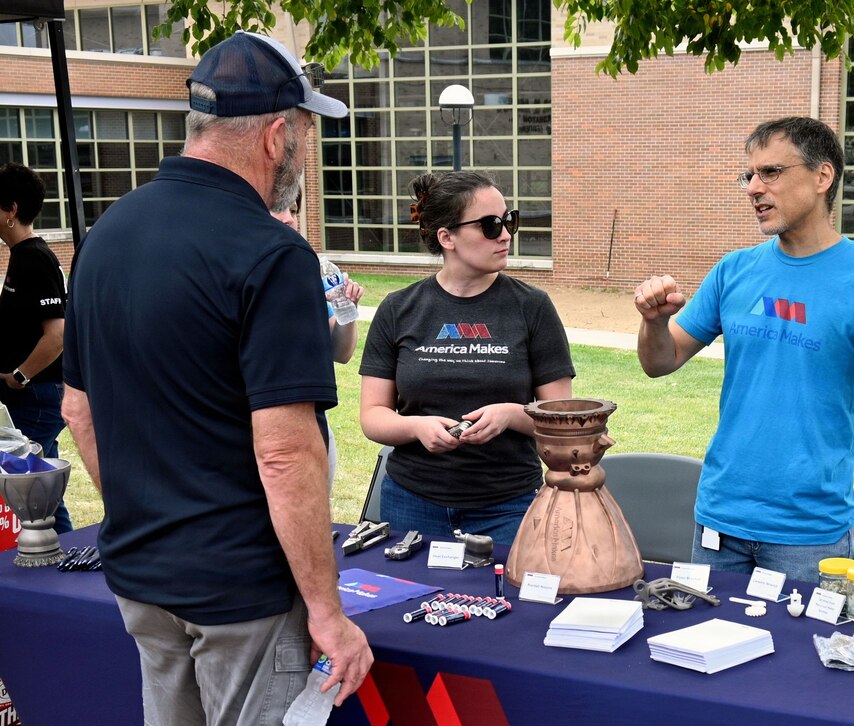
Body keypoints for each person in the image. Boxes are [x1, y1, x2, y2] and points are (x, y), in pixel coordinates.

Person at [61, 31, 373, 724]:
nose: (304, 151)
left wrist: (150, 520)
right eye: (304, 131)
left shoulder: (106, 236)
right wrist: (327, 613)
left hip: (143, 575)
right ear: (273, 137)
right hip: (242, 593)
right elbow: (285, 450)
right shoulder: (272, 252)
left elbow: (78, 411)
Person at [634, 116, 854, 583]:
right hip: (719, 520)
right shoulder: (734, 271)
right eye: (749, 175)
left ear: (822, 177)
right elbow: (659, 362)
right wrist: (654, 323)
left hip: (809, 534)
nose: (754, 188)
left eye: (770, 173)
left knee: (802, 656)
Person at [359, 171, 575, 544]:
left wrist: (510, 414)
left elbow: (563, 418)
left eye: (509, 220)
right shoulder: (398, 309)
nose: (506, 234)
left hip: (507, 506)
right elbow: (372, 416)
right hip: (411, 502)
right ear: (447, 238)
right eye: (491, 225)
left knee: (508, 602)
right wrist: (416, 428)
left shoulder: (532, 307)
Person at [271, 190, 364, 492]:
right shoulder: (242, 273)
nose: (288, 218)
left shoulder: (317, 269)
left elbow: (342, 352)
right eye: (277, 209)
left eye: (293, 209)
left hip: (312, 419)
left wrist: (346, 309)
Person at [0, 162, 71, 534]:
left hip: (38, 397)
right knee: (44, 492)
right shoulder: (20, 256)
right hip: (31, 396)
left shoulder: (36, 259)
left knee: (26, 489)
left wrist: (19, 376)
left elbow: (57, 335)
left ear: (11, 210)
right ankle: (68, 559)